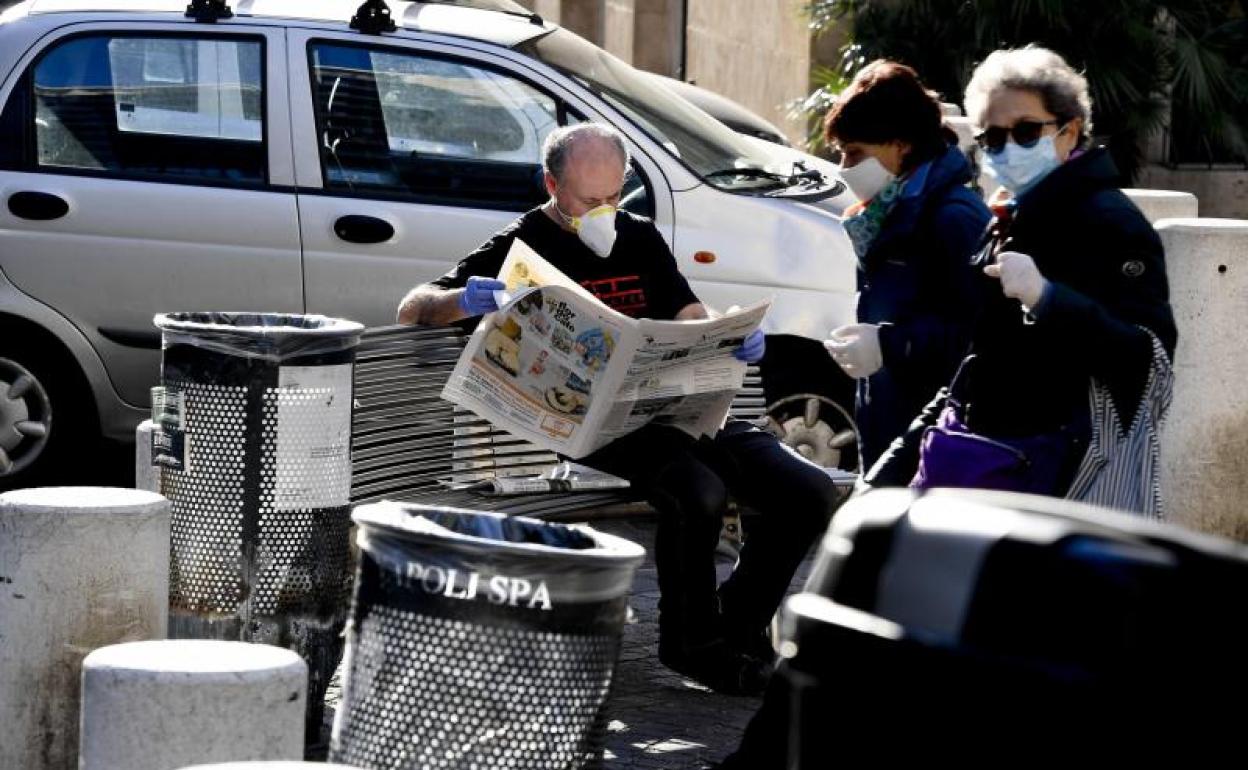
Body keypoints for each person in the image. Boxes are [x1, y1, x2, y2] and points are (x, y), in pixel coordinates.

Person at [398, 123, 843, 695]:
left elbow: (685, 308)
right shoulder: (524, 242)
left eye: (614, 197)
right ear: (551, 184)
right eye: (589, 200)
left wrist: (720, 335)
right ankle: (695, 646)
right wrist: (463, 300)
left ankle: (738, 622)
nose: (604, 210)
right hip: (587, 422)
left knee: (806, 492)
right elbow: (412, 308)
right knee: (697, 490)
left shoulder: (639, 236)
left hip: (673, 407)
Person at [865, 46, 1177, 514]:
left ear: (1069, 132)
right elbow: (976, 364)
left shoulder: (1112, 221)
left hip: (1063, 482)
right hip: (984, 465)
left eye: (1027, 131)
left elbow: (1148, 361)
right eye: (992, 137)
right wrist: (885, 475)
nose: (1007, 147)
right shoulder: (1010, 217)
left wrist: (1048, 298)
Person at [822, 60, 991, 470]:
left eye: (855, 152)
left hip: (937, 442)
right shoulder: (885, 213)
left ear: (902, 145)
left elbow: (980, 339)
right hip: (888, 425)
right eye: (841, 152)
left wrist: (887, 346)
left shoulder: (954, 218)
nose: (845, 167)